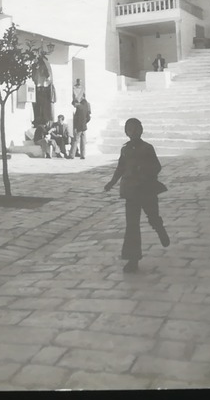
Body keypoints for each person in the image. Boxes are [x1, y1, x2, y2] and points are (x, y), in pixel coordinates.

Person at [104, 118, 170, 273]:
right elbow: (120, 168)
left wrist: (143, 171)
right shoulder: (125, 150)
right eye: (129, 129)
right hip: (131, 192)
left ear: (141, 130)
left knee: (152, 216)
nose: (132, 132)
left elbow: (156, 167)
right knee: (132, 226)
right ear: (126, 132)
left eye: (135, 129)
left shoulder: (147, 148)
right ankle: (132, 260)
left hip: (147, 190)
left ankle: (159, 228)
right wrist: (112, 182)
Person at [70, 81, 91, 158]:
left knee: (75, 140)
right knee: (83, 141)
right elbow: (88, 117)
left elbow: (76, 119)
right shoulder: (87, 105)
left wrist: (75, 127)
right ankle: (83, 155)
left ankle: (72, 155)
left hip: (79, 127)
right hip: (84, 126)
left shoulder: (79, 107)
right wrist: (85, 122)